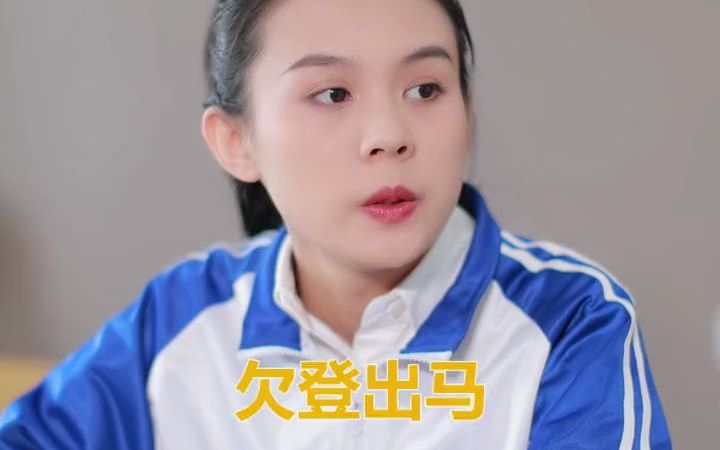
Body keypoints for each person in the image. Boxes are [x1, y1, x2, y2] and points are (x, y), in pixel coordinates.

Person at [0, 0, 672, 448]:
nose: (388, 134)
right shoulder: (177, 321)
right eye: (332, 94)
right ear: (236, 141)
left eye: (426, 89)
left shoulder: (569, 319)